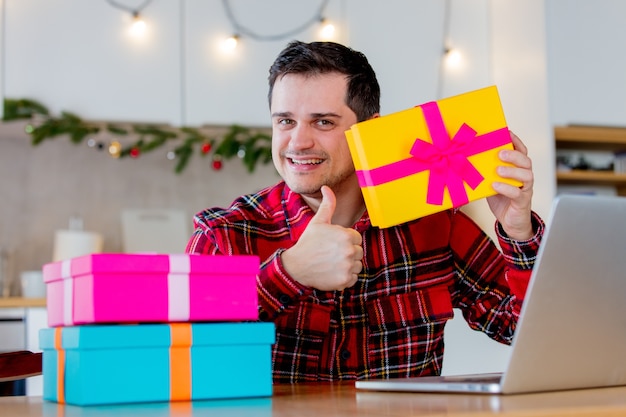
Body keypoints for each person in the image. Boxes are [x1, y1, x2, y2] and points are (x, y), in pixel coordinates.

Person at [186, 40, 544, 383]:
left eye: (323, 122)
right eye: (285, 121)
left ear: (368, 130)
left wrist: (518, 231)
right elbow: (178, 355)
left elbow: (529, 331)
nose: (298, 142)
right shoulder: (225, 234)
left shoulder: (434, 224)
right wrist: (289, 271)